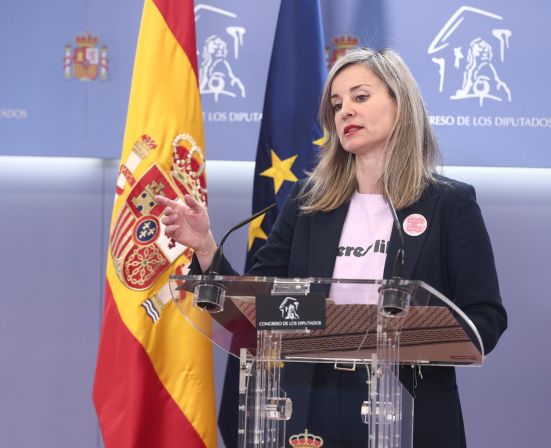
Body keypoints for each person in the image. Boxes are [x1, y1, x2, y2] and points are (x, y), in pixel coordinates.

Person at [156, 47, 507, 448]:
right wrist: (205, 246)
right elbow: (257, 312)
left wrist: (399, 336)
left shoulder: (448, 204)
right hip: (310, 409)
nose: (345, 112)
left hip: (408, 408)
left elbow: (485, 320)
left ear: (402, 105)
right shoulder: (309, 203)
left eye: (361, 97)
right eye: (337, 105)